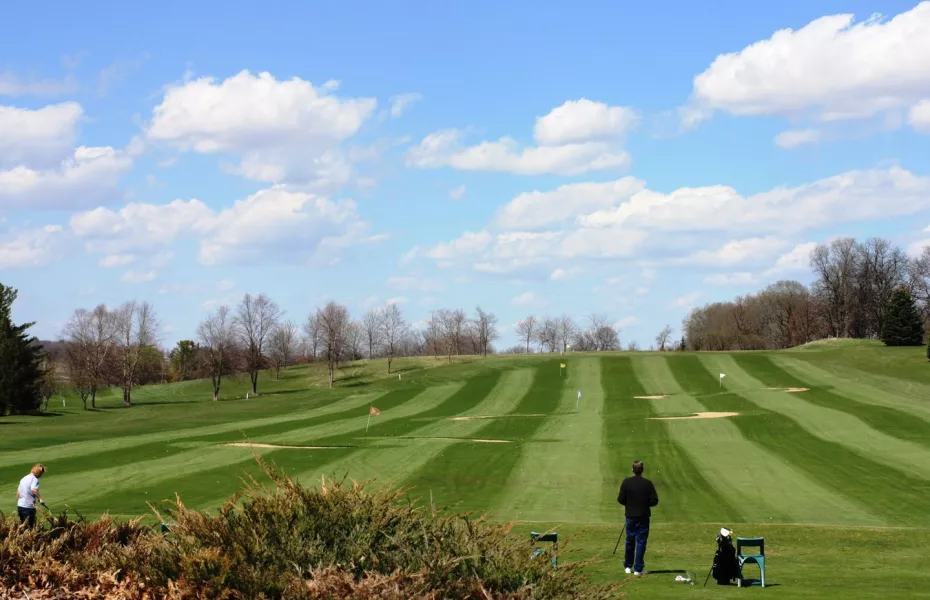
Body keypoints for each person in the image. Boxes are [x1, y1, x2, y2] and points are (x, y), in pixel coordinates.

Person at [617, 459, 658, 575]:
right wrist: (644, 504)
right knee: (641, 542)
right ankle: (638, 569)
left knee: (630, 541)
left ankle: (628, 566)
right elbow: (654, 500)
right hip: (643, 516)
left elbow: (620, 499)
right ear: (642, 470)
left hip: (630, 516)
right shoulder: (647, 483)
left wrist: (630, 504)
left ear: (633, 470)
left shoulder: (626, 482)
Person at [16, 464, 47, 528]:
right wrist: (40, 499)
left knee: (24, 525)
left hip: (20, 506)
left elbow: (18, 492)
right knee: (30, 527)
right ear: (38, 473)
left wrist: (19, 502)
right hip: (28, 507)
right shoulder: (34, 479)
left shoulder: (24, 478)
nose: (41, 476)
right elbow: (34, 490)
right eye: (41, 474)